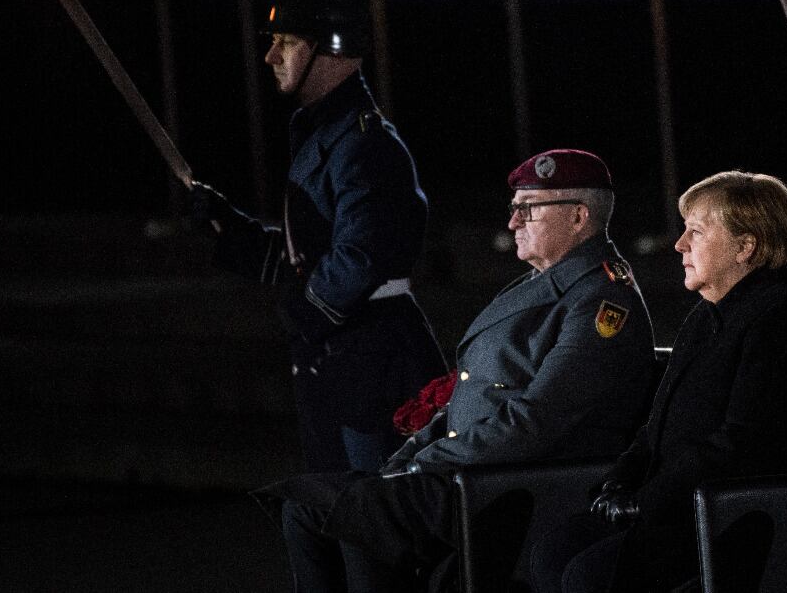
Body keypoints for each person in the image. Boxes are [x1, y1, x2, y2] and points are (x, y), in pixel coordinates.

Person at [258, 148, 657, 593]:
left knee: (337, 513)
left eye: (528, 210)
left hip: (513, 488)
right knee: (317, 506)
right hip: (470, 473)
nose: (512, 223)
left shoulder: (602, 302)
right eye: (513, 210)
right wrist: (406, 459)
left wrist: (425, 466)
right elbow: (471, 396)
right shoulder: (549, 284)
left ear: (579, 216)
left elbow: (537, 422)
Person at [530, 170, 787, 593]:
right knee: (556, 547)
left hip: (740, 517)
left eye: (696, 232)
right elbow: (659, 426)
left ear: (745, 246)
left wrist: (644, 503)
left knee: (591, 574)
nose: (680, 244)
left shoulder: (781, 320)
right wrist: (618, 481)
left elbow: (738, 445)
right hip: (680, 507)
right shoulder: (707, 315)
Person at [188, 0, 446, 474]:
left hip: (372, 364)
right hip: (338, 363)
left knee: (375, 525)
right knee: (328, 520)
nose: (271, 56)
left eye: (286, 42)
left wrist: (301, 309)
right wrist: (231, 230)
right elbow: (308, 254)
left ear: (329, 48)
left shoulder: (367, 144)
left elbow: (361, 257)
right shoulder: (327, 133)